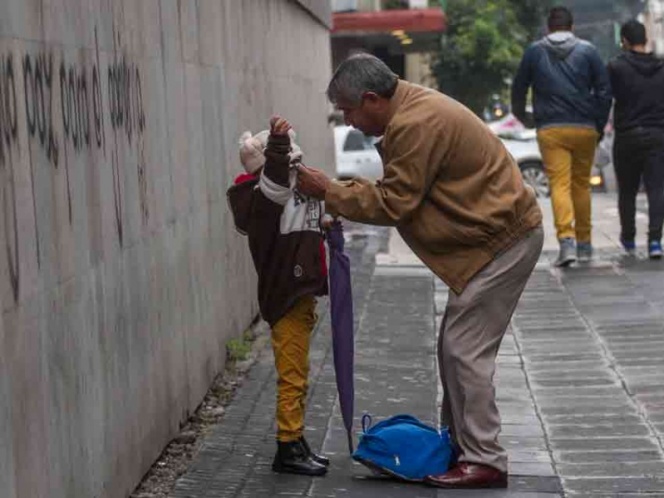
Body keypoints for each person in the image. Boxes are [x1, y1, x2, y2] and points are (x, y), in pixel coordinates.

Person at [297, 53, 543, 489]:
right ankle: (465, 447)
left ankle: (484, 459)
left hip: (501, 243)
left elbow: (395, 203)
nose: (349, 122)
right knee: (455, 348)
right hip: (493, 241)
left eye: (349, 110)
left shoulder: (414, 123)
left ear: (372, 99)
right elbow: (399, 194)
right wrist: (336, 193)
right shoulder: (412, 109)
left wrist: (330, 192)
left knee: (464, 351)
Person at [227, 116, 330, 476]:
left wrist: (327, 225)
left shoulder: (284, 200)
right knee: (292, 375)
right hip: (285, 298)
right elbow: (273, 184)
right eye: (291, 165)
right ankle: (287, 445)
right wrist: (278, 145)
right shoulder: (265, 202)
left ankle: (296, 439)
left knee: (298, 372)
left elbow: (303, 216)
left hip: (299, 296)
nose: (296, 171)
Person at [511, 6, 612, 266]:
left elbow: (519, 87)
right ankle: (585, 244)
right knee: (581, 185)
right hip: (584, 128)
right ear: (572, 27)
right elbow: (604, 91)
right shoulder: (588, 51)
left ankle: (566, 243)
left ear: (548, 28)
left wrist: (525, 117)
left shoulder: (535, 52)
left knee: (560, 185)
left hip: (551, 129)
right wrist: (598, 125)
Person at [608, 20, 664, 259]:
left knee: (627, 191)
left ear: (625, 41)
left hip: (627, 136)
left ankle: (629, 239)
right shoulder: (662, 67)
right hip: (657, 135)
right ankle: (654, 241)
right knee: (657, 189)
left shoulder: (615, 67)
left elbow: (604, 98)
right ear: (646, 39)